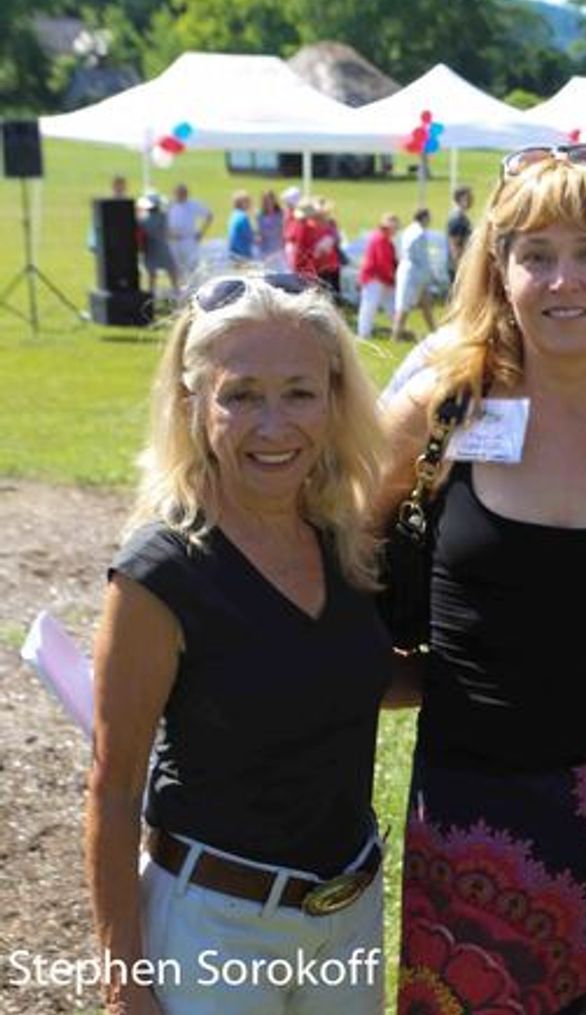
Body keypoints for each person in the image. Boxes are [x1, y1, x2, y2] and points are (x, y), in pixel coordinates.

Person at [377, 142, 586, 1013]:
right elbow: (318, 550)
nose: (564, 281)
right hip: (470, 804)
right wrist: (376, 673)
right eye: (536, 254)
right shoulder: (437, 409)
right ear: (500, 269)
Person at [85, 275, 395, 1014]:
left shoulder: (342, 540)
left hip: (347, 915)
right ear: (193, 406)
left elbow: (339, 677)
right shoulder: (158, 574)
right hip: (217, 929)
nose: (274, 425)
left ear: (334, 397)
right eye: (241, 395)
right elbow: (114, 785)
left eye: (299, 392)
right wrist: (123, 983)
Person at [392, 207, 434, 342]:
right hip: (413, 273)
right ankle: (396, 335)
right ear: (424, 218)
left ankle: (434, 331)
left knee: (425, 303)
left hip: (412, 271)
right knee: (404, 307)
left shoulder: (408, 231)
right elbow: (422, 257)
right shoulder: (419, 233)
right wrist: (428, 274)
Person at [357, 213, 398, 340]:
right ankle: (364, 334)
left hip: (381, 278)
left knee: (391, 305)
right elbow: (382, 263)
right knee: (369, 306)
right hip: (374, 278)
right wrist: (392, 278)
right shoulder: (380, 239)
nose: (395, 230)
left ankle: (398, 330)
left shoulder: (383, 238)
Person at [167, 183, 212, 284]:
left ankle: (194, 287)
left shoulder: (193, 204)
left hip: (188, 240)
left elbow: (209, 215)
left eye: (183, 193)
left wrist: (201, 232)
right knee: (176, 267)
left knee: (192, 266)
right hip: (173, 241)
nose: (181, 195)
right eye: (179, 193)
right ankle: (179, 288)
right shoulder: (170, 205)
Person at [136, 191, 179, 296]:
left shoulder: (142, 220)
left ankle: (151, 295)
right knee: (171, 271)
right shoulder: (163, 216)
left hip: (150, 249)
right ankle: (177, 292)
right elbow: (169, 205)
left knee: (152, 275)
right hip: (162, 248)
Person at [311, 197, 344, 299]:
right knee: (320, 292)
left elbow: (338, 239)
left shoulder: (331, 224)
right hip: (319, 264)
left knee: (334, 291)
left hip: (332, 263)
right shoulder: (311, 225)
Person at [444, 184, 473, 283]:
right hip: (458, 266)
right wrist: (460, 268)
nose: (471, 200)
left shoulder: (462, 217)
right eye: (468, 197)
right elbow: (454, 245)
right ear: (460, 198)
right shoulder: (457, 218)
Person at [256, 190, 285, 268]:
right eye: (265, 200)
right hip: (265, 249)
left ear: (274, 200)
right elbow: (259, 231)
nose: (268, 203)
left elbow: (284, 230)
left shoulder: (281, 213)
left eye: (269, 200)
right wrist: (258, 237)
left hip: (279, 250)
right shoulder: (259, 214)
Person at [226, 189, 256, 264]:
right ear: (243, 203)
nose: (250, 204)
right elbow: (249, 235)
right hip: (242, 253)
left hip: (233, 251)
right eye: (248, 201)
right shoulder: (243, 216)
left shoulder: (233, 215)